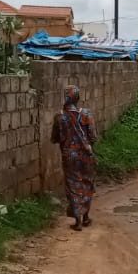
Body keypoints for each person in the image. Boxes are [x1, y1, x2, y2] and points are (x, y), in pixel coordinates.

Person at [51, 85, 97, 231]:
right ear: (77, 98)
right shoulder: (87, 114)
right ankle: (86, 217)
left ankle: (77, 221)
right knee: (87, 183)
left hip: (69, 156)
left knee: (73, 186)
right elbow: (93, 137)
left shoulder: (59, 117)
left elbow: (54, 138)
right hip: (86, 155)